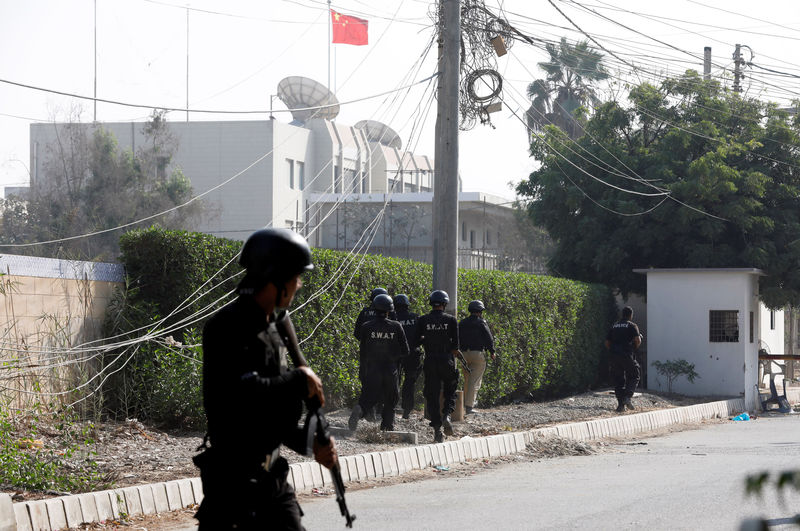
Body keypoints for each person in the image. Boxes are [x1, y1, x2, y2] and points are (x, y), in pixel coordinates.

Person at [196, 228, 337, 530]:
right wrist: (300, 379)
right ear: (277, 278)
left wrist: (311, 443)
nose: (299, 284)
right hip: (232, 487)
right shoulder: (226, 327)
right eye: (296, 276)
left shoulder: (276, 325)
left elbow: (273, 417)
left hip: (273, 480)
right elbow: (243, 393)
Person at [349, 294, 409, 431]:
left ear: (374, 309)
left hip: (372, 368)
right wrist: (394, 357)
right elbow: (405, 350)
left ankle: (360, 410)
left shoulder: (366, 327)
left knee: (368, 397)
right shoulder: (396, 326)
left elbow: (362, 351)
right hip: (390, 369)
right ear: (389, 310)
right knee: (390, 399)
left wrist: (364, 369)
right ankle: (387, 428)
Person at [417, 290, 460, 443]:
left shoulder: (422, 320)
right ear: (445, 303)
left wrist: (427, 339)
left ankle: (437, 429)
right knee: (450, 390)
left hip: (430, 361)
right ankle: (447, 415)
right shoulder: (451, 320)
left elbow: (417, 341)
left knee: (432, 394)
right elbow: (456, 346)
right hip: (446, 360)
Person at [458, 300, 496, 414]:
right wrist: (492, 351)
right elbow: (488, 337)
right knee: (474, 381)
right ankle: (469, 407)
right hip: (477, 354)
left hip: (463, 354)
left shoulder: (462, 323)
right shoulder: (481, 322)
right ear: (480, 311)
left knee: (467, 379)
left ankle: (463, 405)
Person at [604, 306, 642, 413]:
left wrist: (613, 351)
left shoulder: (614, 326)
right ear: (631, 315)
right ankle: (628, 397)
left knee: (618, 380)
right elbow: (638, 340)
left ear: (622, 314)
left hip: (614, 356)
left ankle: (620, 406)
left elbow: (607, 343)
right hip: (626, 355)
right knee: (635, 375)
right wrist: (633, 348)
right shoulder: (632, 325)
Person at [393, 294, 422, 419]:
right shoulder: (415, 317)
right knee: (409, 382)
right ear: (407, 305)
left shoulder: (392, 318)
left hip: (396, 354)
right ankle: (406, 410)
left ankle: (390, 407)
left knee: (394, 381)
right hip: (413, 354)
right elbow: (422, 336)